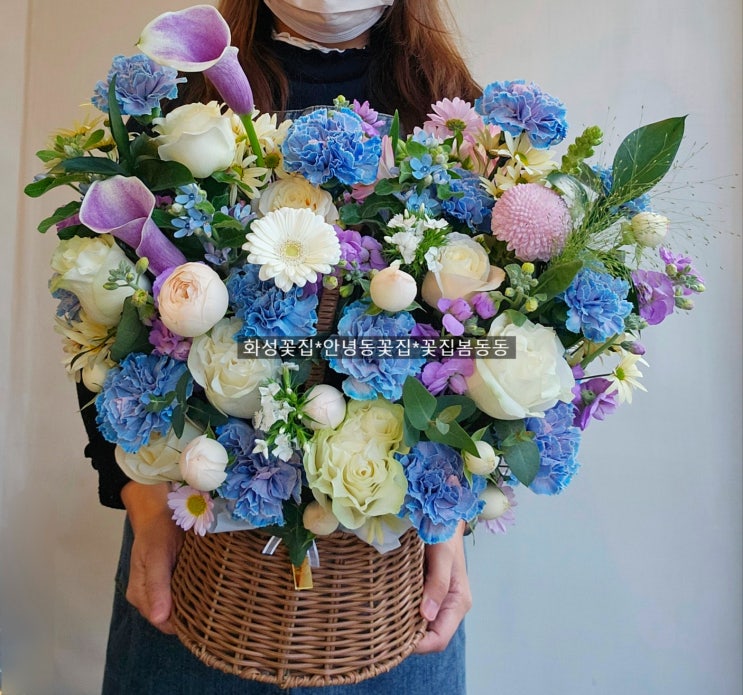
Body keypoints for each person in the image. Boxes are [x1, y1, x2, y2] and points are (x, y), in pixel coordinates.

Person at [78, 1, 483, 692]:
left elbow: (470, 353)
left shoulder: (452, 112)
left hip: (389, 590)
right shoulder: (178, 103)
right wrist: (144, 505)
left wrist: (451, 522)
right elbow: (98, 324)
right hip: (193, 561)